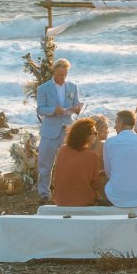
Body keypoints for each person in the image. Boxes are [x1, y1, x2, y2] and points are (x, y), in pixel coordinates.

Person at [34, 59, 84, 197]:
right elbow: (40, 109)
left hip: (67, 130)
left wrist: (77, 108)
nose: (63, 77)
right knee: (45, 165)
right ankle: (44, 193)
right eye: (60, 74)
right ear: (54, 72)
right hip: (49, 131)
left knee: (69, 163)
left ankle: (67, 191)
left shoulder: (73, 87)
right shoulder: (43, 88)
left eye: (65, 74)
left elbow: (76, 104)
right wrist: (53, 110)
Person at [101, 110, 137, 211]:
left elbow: (108, 173)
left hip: (117, 196)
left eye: (116, 123)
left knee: (109, 183)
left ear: (121, 123)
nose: (114, 127)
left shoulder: (109, 142)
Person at [50, 116, 108, 207]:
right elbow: (95, 184)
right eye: (95, 133)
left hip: (60, 200)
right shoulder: (92, 155)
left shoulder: (62, 149)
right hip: (82, 201)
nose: (96, 136)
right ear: (86, 135)